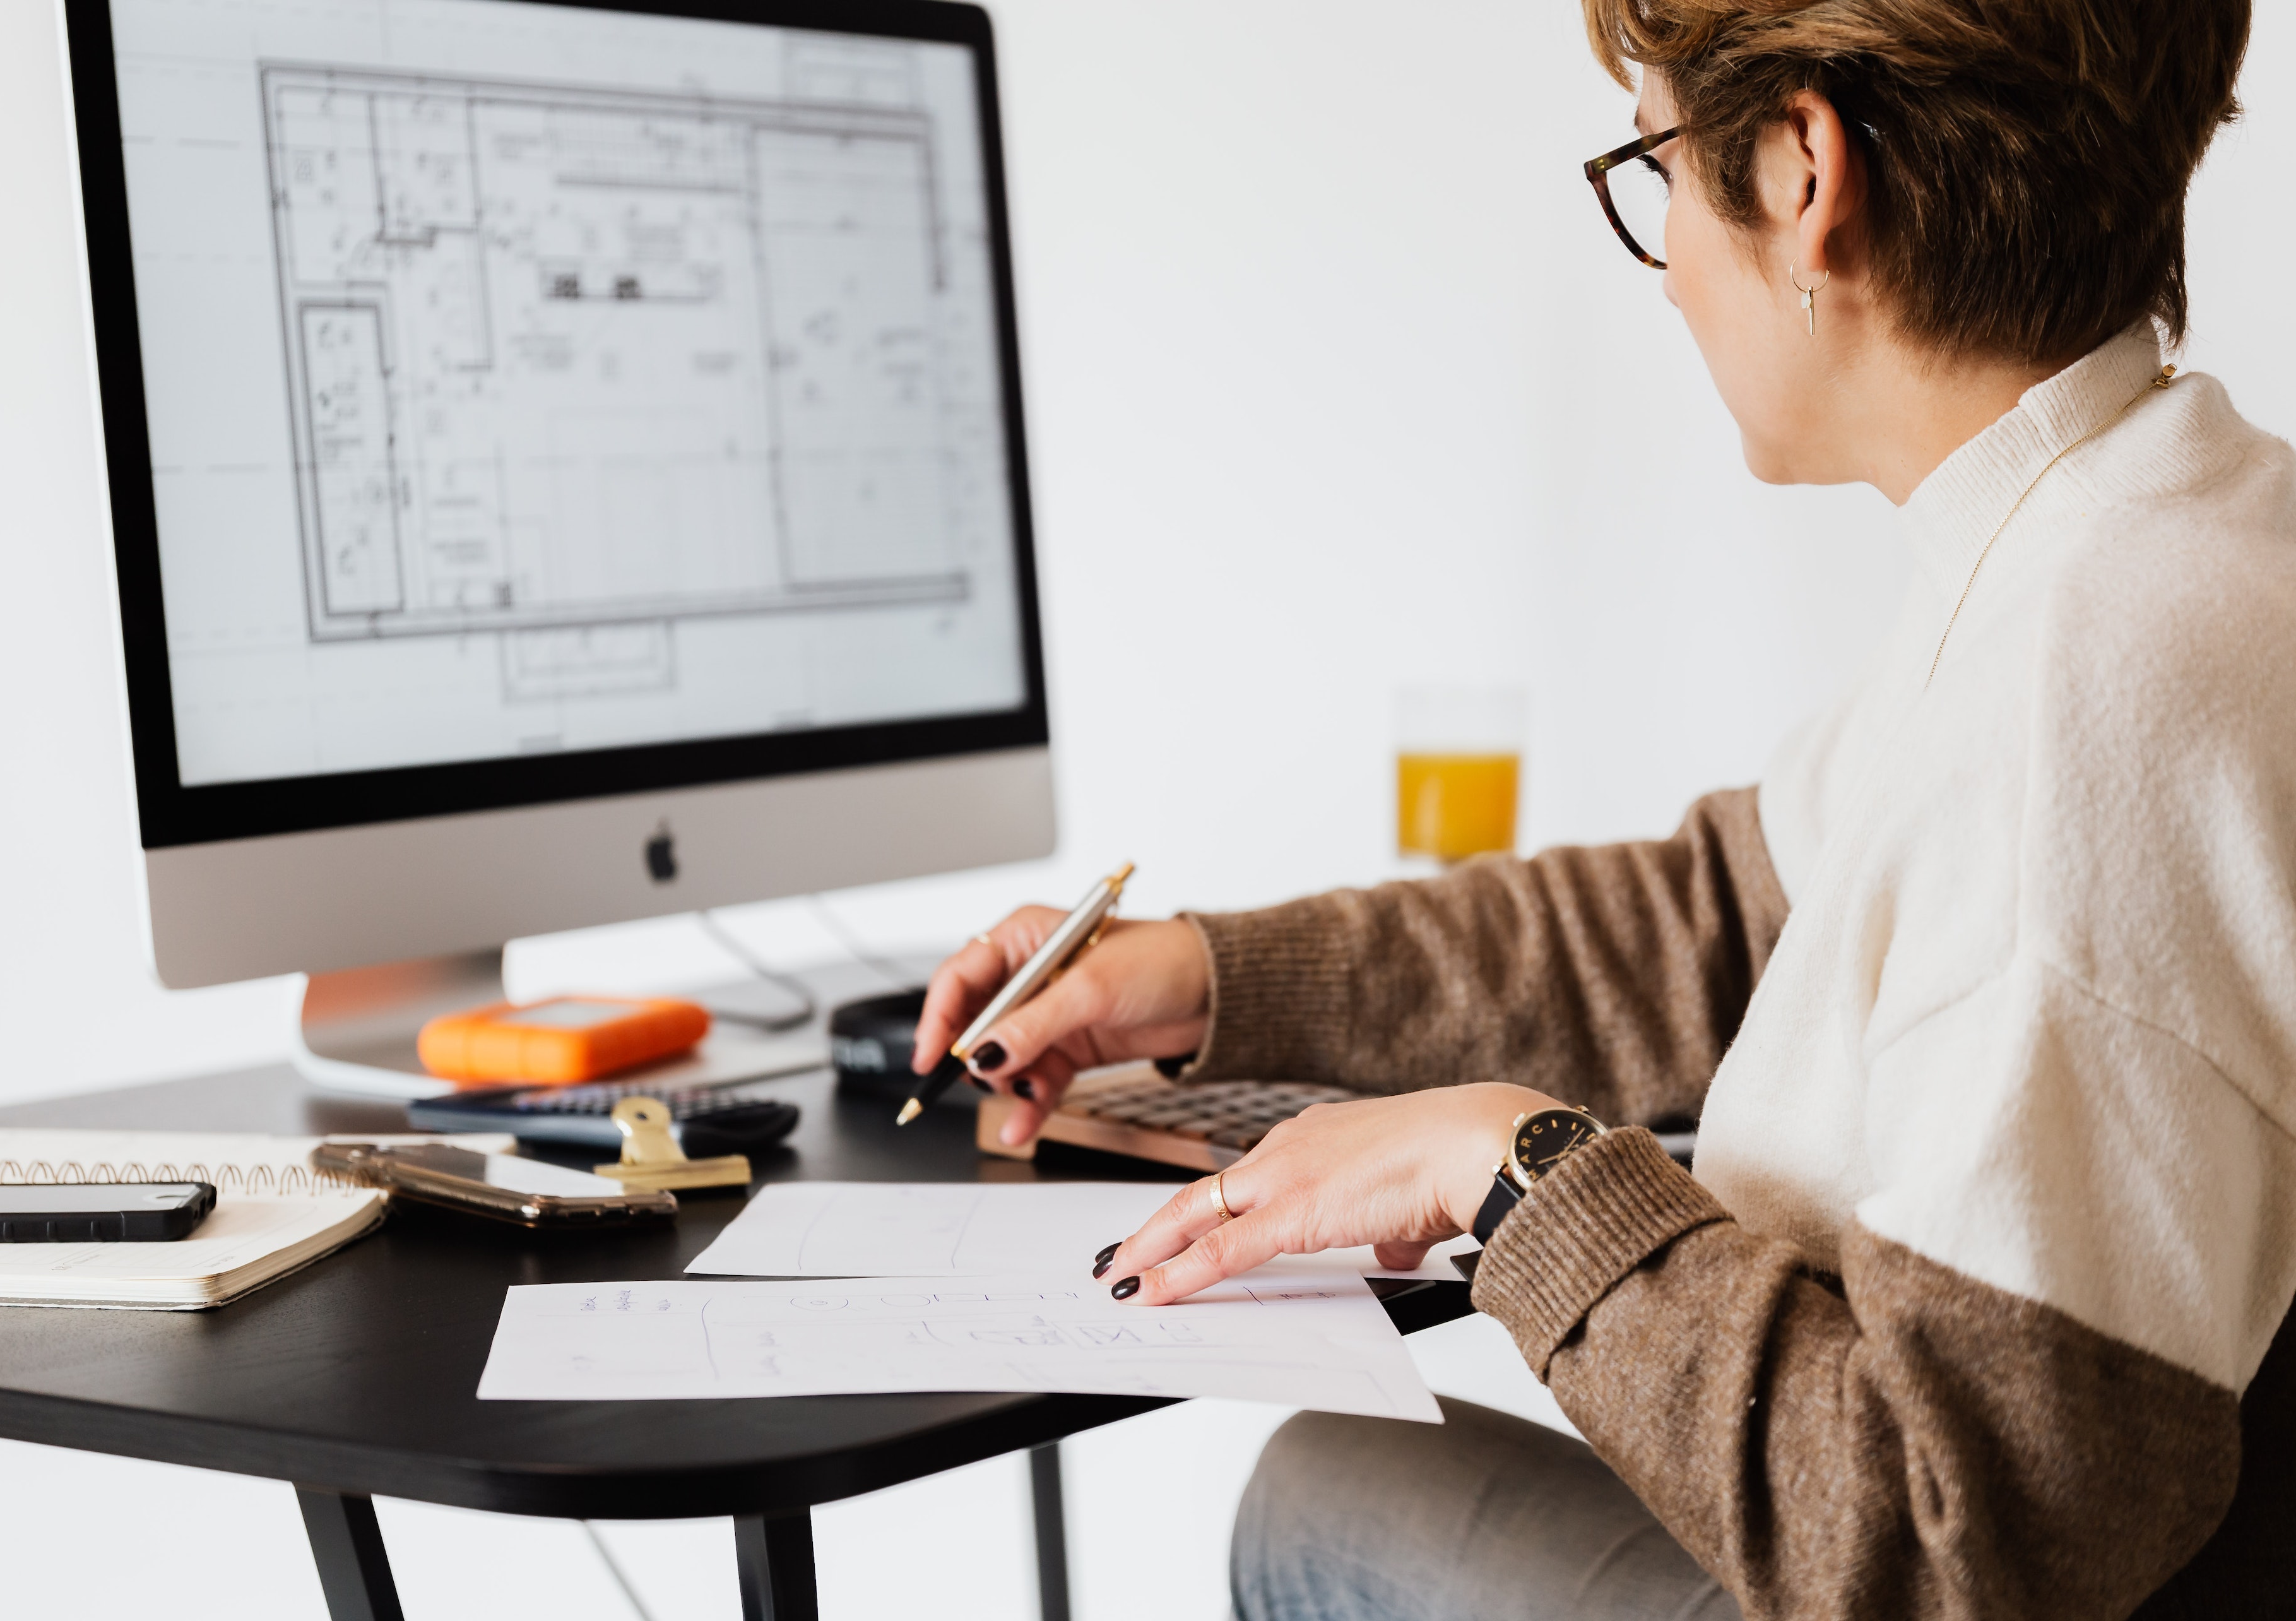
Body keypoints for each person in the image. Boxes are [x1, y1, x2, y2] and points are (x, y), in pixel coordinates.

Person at [916, 1, 2295, 1616]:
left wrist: (1507, 1172)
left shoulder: (2086, 693)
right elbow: (1714, 920)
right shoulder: (2152, 536)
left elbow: (1959, 1546)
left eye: (1654, 164)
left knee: (1320, 1495)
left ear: (1798, 170)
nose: (1666, 270)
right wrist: (1216, 973)